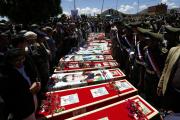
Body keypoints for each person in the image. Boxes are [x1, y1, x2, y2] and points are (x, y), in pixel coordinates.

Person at [0, 48, 41, 120]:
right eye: (17, 60)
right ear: (9, 61)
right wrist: (30, 91)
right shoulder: (5, 76)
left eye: (22, 58)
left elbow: (32, 77)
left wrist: (36, 83)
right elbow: (10, 98)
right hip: (23, 111)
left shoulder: (25, 66)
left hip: (31, 103)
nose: (21, 62)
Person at [157, 44, 180, 112]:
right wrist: (160, 84)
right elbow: (165, 69)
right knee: (166, 110)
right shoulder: (174, 50)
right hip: (170, 90)